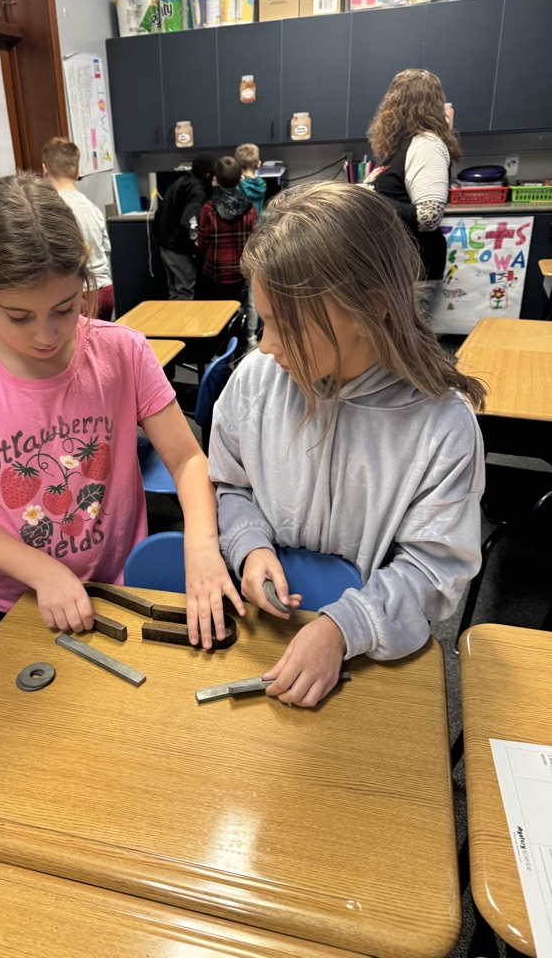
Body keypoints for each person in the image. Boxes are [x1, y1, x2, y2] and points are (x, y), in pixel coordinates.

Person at [0, 172, 243, 647]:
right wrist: (42, 571)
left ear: (85, 276)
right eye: (18, 317)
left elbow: (188, 458)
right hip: (20, 599)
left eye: (65, 308)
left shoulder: (122, 351)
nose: (46, 335)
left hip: (123, 580)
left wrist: (201, 543)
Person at [209, 181, 486, 708]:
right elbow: (229, 483)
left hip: (370, 654)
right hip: (267, 633)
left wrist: (344, 628)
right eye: (261, 321)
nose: (266, 347)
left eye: (285, 326)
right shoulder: (257, 380)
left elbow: (434, 569)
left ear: (368, 308)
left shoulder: (441, 426)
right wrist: (250, 547)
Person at [365, 69, 460, 318]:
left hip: (414, 271)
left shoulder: (427, 144)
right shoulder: (402, 149)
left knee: (405, 348)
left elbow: (429, 217)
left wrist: (369, 198)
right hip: (397, 270)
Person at [42, 137, 114, 322]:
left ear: (44, 170)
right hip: (104, 291)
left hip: (74, 296)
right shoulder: (93, 208)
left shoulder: (48, 209)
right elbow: (106, 249)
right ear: (77, 173)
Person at [196, 155, 257, 302]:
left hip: (215, 271)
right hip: (240, 271)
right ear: (240, 178)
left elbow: (202, 242)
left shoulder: (209, 208)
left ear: (216, 178)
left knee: (216, 313)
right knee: (237, 309)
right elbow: (255, 239)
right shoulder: (250, 208)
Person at [155, 154, 215, 301]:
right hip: (179, 249)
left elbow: (160, 212)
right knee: (185, 290)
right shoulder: (198, 193)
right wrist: (194, 249)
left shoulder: (179, 182)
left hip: (165, 244)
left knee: (174, 290)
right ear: (208, 174)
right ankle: (183, 324)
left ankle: (172, 323)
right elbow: (189, 223)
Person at [234, 143, 266, 347]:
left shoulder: (237, 187)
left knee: (237, 293)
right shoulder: (262, 185)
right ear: (258, 164)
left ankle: (234, 335)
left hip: (238, 242)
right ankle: (252, 337)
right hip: (256, 241)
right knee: (255, 295)